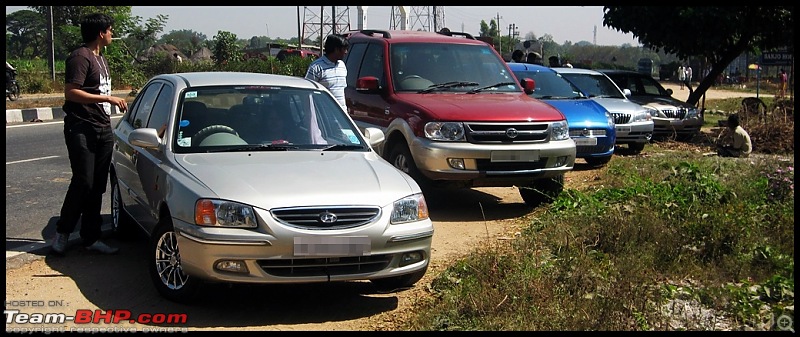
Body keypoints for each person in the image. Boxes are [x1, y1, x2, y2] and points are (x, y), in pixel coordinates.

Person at [52, 13, 128, 255]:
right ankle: (62, 232)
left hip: (103, 127)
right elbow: (71, 92)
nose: (112, 33)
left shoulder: (101, 58)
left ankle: (91, 237)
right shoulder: (80, 57)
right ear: (100, 33)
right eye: (110, 30)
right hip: (81, 126)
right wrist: (107, 97)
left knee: (97, 185)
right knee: (83, 181)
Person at [305, 34, 349, 109]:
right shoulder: (316, 67)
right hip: (324, 117)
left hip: (341, 115)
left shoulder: (342, 65)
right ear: (336, 49)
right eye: (344, 49)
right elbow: (307, 94)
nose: (346, 52)